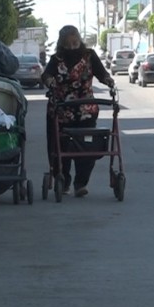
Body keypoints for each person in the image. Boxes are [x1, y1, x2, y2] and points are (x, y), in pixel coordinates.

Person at [42, 25, 115, 198]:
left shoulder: (89, 56)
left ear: (79, 40)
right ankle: (63, 181)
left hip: (85, 110)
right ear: (62, 44)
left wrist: (109, 81)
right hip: (60, 111)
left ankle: (81, 183)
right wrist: (50, 81)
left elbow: (101, 73)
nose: (72, 48)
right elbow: (46, 75)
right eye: (68, 45)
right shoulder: (56, 59)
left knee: (86, 148)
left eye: (75, 43)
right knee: (61, 147)